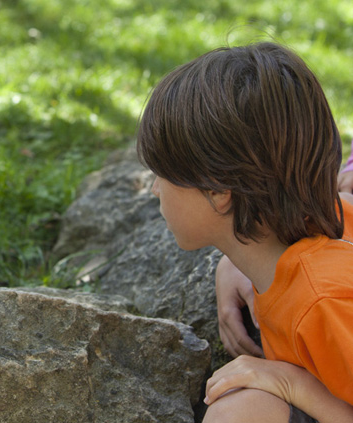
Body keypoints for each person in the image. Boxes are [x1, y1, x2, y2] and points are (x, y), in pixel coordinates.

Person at [137, 42, 353, 422]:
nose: (155, 188)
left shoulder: (325, 302)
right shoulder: (322, 224)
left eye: (163, 174)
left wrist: (291, 384)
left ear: (220, 193)